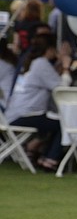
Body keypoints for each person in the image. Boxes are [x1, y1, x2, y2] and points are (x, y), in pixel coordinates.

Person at [4, 33, 72, 171]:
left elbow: (50, 78)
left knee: (51, 122)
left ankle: (37, 152)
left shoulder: (31, 62)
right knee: (63, 124)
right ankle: (50, 159)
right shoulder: (41, 64)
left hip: (13, 114)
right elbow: (62, 89)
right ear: (50, 49)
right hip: (26, 114)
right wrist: (66, 67)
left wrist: (59, 64)